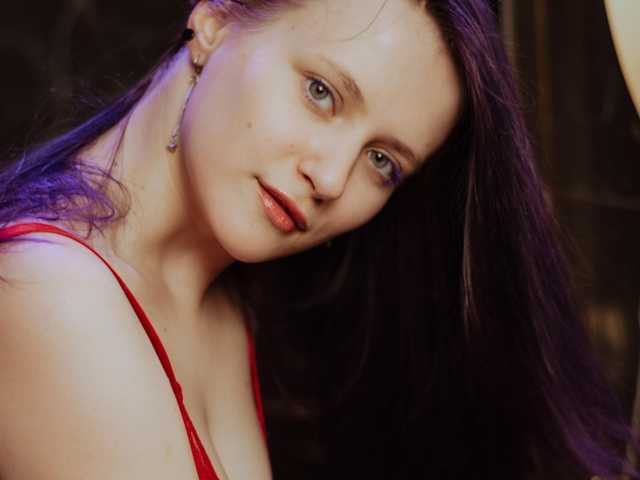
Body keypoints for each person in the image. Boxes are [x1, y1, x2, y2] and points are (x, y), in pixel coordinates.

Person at [0, 0, 637, 479]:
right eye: (321, 93)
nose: (331, 178)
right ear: (216, 20)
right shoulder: (49, 295)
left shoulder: (222, 302)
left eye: (382, 162)